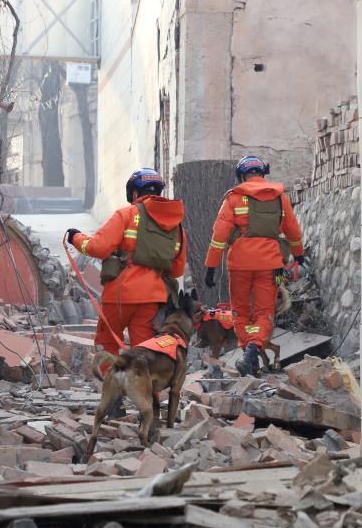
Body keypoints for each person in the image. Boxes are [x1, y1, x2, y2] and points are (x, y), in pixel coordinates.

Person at [66, 169, 187, 358]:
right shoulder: (176, 227)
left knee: (107, 346)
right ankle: (141, 378)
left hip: (119, 295)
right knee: (143, 353)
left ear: (134, 193)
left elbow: (98, 248)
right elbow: (176, 270)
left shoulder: (127, 214)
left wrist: (75, 238)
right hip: (152, 299)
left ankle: (110, 377)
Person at [203, 155, 305, 376]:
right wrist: (298, 255)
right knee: (264, 312)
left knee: (240, 312)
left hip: (239, 264)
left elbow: (219, 236)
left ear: (242, 176)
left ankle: (248, 356)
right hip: (271, 264)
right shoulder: (279, 198)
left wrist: (211, 266)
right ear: (262, 173)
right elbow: (293, 231)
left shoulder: (234, 198)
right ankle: (252, 353)